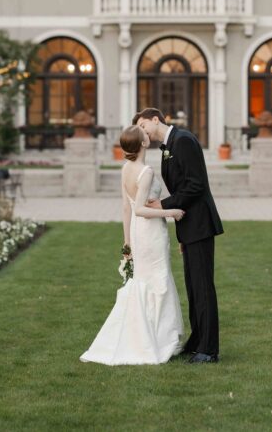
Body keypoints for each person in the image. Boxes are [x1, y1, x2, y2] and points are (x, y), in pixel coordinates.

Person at [80, 125, 185, 365]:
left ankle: (147, 334)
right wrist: (172, 212)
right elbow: (138, 209)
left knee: (144, 281)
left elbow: (126, 208)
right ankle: (157, 339)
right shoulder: (145, 171)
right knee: (157, 280)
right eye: (145, 134)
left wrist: (127, 241)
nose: (148, 134)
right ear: (144, 144)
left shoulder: (126, 168)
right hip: (150, 233)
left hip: (139, 235)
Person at [135, 107, 224, 364]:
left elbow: (196, 184)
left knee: (203, 287)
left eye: (143, 125)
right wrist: (182, 235)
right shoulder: (168, 145)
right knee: (193, 288)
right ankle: (197, 342)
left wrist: (163, 205)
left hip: (200, 224)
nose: (143, 132)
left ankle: (209, 350)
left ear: (155, 119)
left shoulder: (183, 140)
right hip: (189, 226)